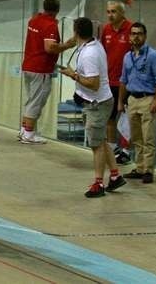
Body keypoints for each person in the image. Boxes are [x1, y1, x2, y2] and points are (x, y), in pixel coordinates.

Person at [59, 17, 127, 198]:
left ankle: (99, 183)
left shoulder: (89, 54)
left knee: (95, 145)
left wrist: (72, 75)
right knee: (101, 140)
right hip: (98, 101)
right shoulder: (93, 45)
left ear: (76, 33)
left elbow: (94, 83)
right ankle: (114, 176)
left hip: (97, 104)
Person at [19, 0, 76, 144]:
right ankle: (29, 134)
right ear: (57, 9)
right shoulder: (49, 25)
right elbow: (50, 48)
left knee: (31, 100)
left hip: (28, 65)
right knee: (36, 102)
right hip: (40, 69)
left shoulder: (34, 20)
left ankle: (24, 130)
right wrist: (68, 45)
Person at [118, 22, 156, 184]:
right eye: (133, 33)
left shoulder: (153, 56)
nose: (135, 36)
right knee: (136, 137)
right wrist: (120, 102)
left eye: (139, 33)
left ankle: (148, 170)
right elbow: (123, 80)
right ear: (129, 36)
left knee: (148, 138)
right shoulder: (127, 57)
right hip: (132, 99)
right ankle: (139, 168)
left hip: (148, 99)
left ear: (144, 36)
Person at [100, 1, 133, 165]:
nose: (110, 15)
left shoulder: (131, 29)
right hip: (109, 81)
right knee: (110, 117)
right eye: (108, 12)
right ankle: (113, 148)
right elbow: (102, 53)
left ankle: (126, 151)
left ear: (122, 13)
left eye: (113, 12)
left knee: (127, 117)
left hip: (126, 83)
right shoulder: (105, 29)